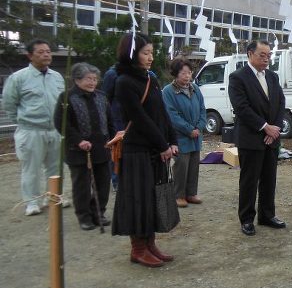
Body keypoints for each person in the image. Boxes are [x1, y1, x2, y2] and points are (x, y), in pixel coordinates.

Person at [111, 33, 179, 267]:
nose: (150, 57)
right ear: (132, 54)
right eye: (145, 53)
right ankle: (138, 249)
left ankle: (150, 244)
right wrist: (162, 144)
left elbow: (162, 113)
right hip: (137, 150)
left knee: (151, 199)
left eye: (151, 52)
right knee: (138, 200)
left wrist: (172, 140)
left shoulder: (150, 78)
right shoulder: (124, 82)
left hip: (154, 148)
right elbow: (139, 118)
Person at [228, 39, 287, 237]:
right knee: (249, 181)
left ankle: (267, 215)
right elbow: (242, 108)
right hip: (251, 138)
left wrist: (275, 129)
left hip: (272, 138)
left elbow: (280, 102)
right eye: (262, 55)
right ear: (250, 54)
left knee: (269, 180)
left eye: (269, 55)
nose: (266, 59)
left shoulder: (272, 76)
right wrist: (264, 127)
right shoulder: (238, 78)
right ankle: (246, 219)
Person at [3, 39, 65, 216]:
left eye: (48, 51)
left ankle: (53, 197)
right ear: (30, 56)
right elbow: (9, 104)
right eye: (40, 52)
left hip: (54, 129)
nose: (46, 54)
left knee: (55, 167)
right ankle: (32, 202)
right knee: (31, 169)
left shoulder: (57, 77)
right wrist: (24, 121)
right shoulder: (18, 78)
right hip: (30, 130)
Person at [54, 63, 115, 230]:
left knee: (103, 183)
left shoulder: (101, 96)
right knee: (81, 184)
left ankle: (98, 213)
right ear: (77, 79)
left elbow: (110, 121)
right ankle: (84, 216)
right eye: (88, 79)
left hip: (102, 148)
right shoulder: (66, 98)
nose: (92, 82)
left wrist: (113, 138)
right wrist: (78, 140)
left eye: (95, 79)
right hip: (79, 150)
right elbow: (61, 123)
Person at [162, 57, 206, 208]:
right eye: (183, 73)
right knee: (181, 165)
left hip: (196, 135)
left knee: (194, 164)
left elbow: (202, 109)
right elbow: (171, 115)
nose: (187, 76)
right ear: (176, 74)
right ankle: (178, 195)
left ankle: (191, 193)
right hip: (180, 136)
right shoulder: (168, 91)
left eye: (189, 72)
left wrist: (199, 127)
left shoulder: (195, 88)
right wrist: (188, 129)